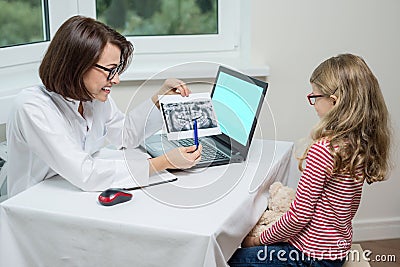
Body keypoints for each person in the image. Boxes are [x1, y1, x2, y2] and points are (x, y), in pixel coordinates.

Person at [6, 15, 202, 197]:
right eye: (110, 70)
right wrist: (164, 162)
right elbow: (86, 174)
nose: (116, 80)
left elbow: (125, 135)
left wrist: (159, 100)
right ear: (77, 66)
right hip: (34, 204)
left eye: (116, 70)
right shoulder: (32, 107)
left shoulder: (90, 97)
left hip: (72, 191)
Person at [228, 54, 391, 267]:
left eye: (315, 97)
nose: (313, 104)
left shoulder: (324, 150)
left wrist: (257, 240)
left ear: (334, 102)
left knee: (231, 259)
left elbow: (299, 216)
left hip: (311, 256)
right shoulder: (359, 142)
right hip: (336, 250)